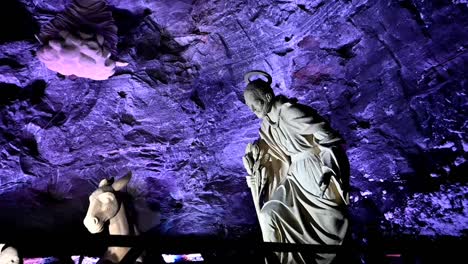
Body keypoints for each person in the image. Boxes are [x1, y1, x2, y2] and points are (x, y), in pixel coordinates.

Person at [242, 71, 350, 264]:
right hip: (294, 178)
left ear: (267, 96)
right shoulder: (267, 126)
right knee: (269, 214)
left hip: (315, 171)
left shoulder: (291, 112)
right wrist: (256, 177)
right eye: (248, 106)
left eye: (253, 104)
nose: (252, 110)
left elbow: (327, 136)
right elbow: (269, 158)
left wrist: (328, 168)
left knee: (329, 222)